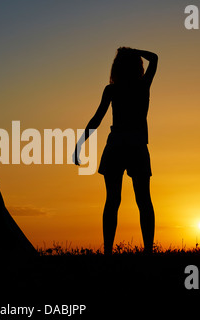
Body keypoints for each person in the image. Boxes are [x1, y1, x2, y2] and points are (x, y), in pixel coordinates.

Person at [73, 47, 158, 255]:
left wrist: (80, 144)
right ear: (137, 66)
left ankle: (109, 251)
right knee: (143, 200)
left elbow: (96, 120)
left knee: (113, 200)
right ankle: (147, 251)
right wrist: (133, 51)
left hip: (117, 144)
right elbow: (154, 58)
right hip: (136, 145)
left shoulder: (112, 89)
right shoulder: (142, 86)